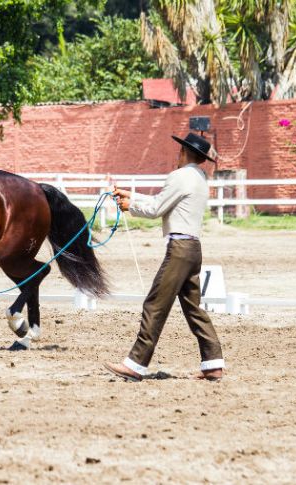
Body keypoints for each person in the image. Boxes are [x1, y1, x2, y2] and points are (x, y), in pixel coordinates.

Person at [104, 132, 225, 382]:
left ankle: (136, 364)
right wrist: (132, 195)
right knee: (193, 309)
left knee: (155, 305)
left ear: (183, 152)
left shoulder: (179, 176)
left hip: (178, 250)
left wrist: (130, 206)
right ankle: (213, 363)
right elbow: (165, 201)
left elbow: (157, 209)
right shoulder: (199, 178)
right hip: (193, 249)